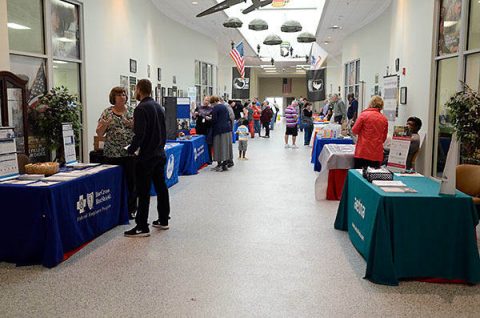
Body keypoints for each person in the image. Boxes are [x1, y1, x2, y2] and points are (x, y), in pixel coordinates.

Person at [124, 79, 170, 237]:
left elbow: (140, 134)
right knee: (161, 187)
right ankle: (164, 219)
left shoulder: (141, 108)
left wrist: (131, 149)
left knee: (143, 192)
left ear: (139, 89)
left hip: (146, 157)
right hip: (159, 154)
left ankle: (142, 226)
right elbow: (163, 131)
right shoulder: (159, 107)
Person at [96, 87, 136, 220]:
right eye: (119, 95)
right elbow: (99, 133)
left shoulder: (131, 111)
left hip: (129, 153)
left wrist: (131, 125)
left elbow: (139, 129)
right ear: (114, 97)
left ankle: (131, 209)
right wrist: (105, 125)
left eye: (124, 94)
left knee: (131, 182)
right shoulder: (107, 112)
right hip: (112, 153)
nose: (122, 97)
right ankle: (112, 208)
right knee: (112, 181)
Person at [351, 96, 388, 169]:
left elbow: (354, 130)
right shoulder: (384, 119)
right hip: (376, 153)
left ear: (370, 103)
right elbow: (383, 138)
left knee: (358, 176)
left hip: (362, 151)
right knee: (373, 177)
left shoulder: (363, 115)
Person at [211, 96, 233, 171]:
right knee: (226, 147)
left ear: (214, 102)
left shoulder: (216, 108)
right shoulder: (225, 107)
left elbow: (214, 120)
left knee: (218, 147)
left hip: (219, 130)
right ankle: (225, 164)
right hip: (227, 129)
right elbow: (228, 117)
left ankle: (219, 165)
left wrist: (209, 119)